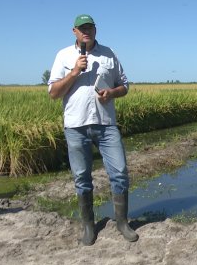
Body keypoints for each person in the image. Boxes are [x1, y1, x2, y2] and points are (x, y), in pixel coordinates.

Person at [48, 14, 138, 245]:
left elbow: (125, 85)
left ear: (95, 29)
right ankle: (89, 226)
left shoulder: (109, 54)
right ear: (74, 31)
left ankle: (122, 223)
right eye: (82, 28)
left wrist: (112, 93)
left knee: (119, 172)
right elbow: (54, 92)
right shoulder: (63, 56)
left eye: (90, 27)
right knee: (82, 178)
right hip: (76, 126)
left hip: (106, 125)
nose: (86, 31)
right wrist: (74, 72)